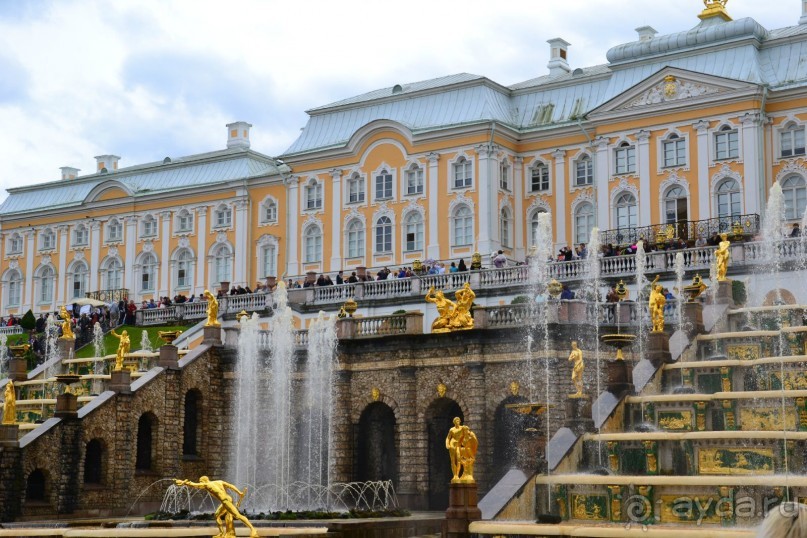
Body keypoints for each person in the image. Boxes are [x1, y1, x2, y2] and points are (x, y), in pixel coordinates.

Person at [174, 476, 258, 538]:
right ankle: (223, 533)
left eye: (201, 481)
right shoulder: (219, 481)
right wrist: (239, 493)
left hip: (225, 501)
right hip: (228, 499)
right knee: (217, 515)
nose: (200, 483)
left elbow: (194, 485)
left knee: (238, 515)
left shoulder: (207, 485)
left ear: (204, 480)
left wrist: (184, 482)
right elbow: (230, 486)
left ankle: (253, 530)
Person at [445, 417, 464, 482]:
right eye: (456, 421)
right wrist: (447, 444)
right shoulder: (452, 430)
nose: (457, 422)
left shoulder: (462, 428)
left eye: (458, 420)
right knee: (453, 460)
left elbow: (466, 435)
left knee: (459, 460)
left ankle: (457, 474)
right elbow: (448, 438)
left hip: (458, 445)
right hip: (452, 444)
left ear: (460, 421)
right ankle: (455, 475)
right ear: (454, 422)